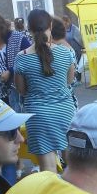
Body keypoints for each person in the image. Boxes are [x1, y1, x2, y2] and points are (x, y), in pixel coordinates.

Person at [14, 9, 76, 173]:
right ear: (51, 26)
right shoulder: (65, 53)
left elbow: (21, 90)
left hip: (38, 116)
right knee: (73, 166)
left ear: (29, 29)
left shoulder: (22, 58)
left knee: (48, 169)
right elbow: (69, 82)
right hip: (65, 112)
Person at [0, 11, 31, 112]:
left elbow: (29, 60)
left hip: (18, 93)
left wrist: (11, 71)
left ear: (0, 27)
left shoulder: (18, 39)